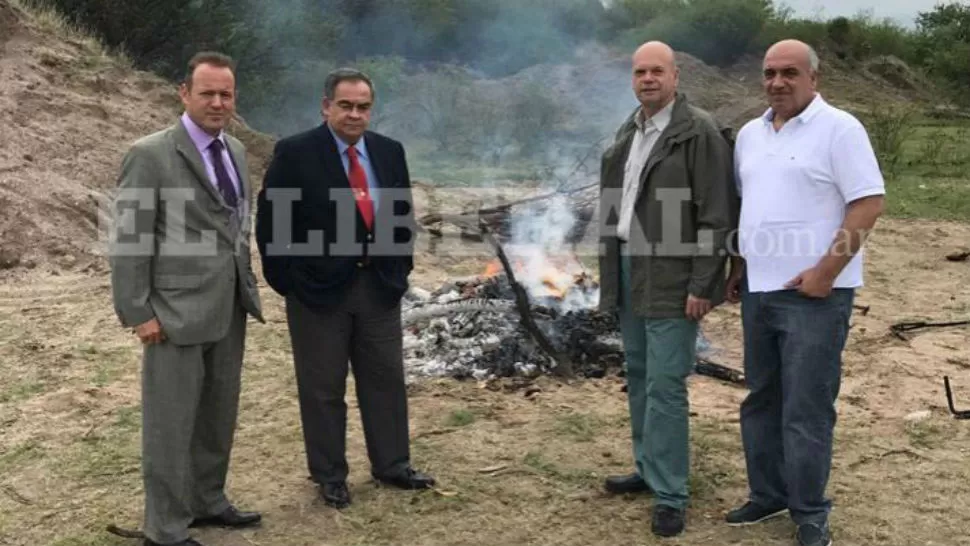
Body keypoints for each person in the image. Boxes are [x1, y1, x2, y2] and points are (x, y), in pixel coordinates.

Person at [724, 39, 885, 546]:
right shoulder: (750, 134)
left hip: (815, 297)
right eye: (769, 73)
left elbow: (868, 203)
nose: (777, 82)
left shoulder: (840, 129)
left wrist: (825, 272)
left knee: (807, 407)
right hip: (758, 289)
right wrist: (738, 264)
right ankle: (768, 494)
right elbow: (751, 205)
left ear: (815, 78)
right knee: (761, 399)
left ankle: (810, 509)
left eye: (789, 73)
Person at [255, 68, 434, 510]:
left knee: (386, 380)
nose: (355, 114)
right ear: (326, 106)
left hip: (379, 288)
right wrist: (289, 282)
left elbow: (401, 215)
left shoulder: (389, 152)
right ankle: (330, 476)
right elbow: (273, 222)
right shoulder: (295, 152)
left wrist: (400, 268)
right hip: (318, 294)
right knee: (322, 388)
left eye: (363, 107)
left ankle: (393, 465)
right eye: (346, 105)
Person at [109, 51, 264, 546]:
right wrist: (139, 312)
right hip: (171, 315)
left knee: (217, 414)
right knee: (169, 425)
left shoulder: (236, 152)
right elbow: (130, 238)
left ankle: (208, 501)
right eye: (208, 93)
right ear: (184, 93)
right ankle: (166, 528)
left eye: (226, 94)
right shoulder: (150, 153)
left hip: (228, 306)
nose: (218, 102)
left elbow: (234, 226)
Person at [596, 41, 737, 537]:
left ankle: (672, 492)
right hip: (631, 266)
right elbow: (616, 205)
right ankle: (647, 467)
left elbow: (717, 214)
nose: (648, 79)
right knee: (638, 373)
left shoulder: (697, 132)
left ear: (676, 76)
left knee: (667, 384)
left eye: (657, 71)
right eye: (640, 72)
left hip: (675, 277)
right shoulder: (630, 128)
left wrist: (704, 283)